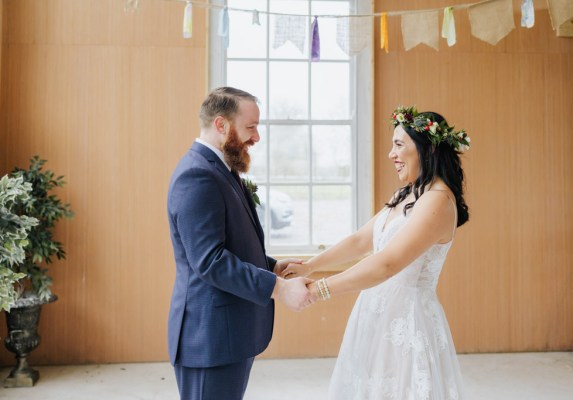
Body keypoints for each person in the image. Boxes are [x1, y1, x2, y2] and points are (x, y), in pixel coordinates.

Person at [282, 105, 471, 399]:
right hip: (374, 312)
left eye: (398, 145)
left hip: (406, 322)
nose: (390, 155)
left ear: (428, 150)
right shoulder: (408, 193)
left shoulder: (437, 200)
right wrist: (310, 266)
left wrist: (319, 290)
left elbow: (387, 263)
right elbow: (361, 240)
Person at [166, 87, 315, 400]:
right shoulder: (197, 175)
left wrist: (272, 266)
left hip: (228, 332)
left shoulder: (221, 168)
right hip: (210, 337)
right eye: (250, 127)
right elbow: (211, 261)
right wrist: (278, 288)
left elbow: (232, 242)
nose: (256, 137)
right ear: (222, 125)